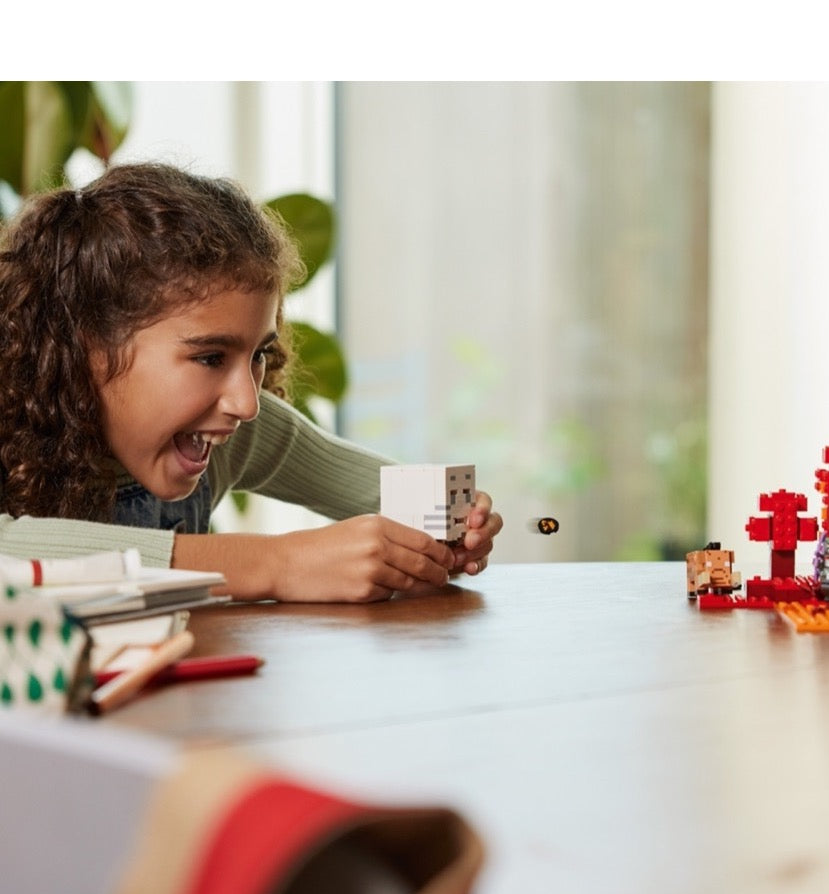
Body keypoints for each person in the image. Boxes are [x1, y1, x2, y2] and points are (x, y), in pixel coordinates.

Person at [0, 162, 503, 603]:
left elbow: (388, 496)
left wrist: (454, 523)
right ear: (87, 346)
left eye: (258, 354)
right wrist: (276, 564)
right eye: (210, 357)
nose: (246, 403)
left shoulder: (215, 433)